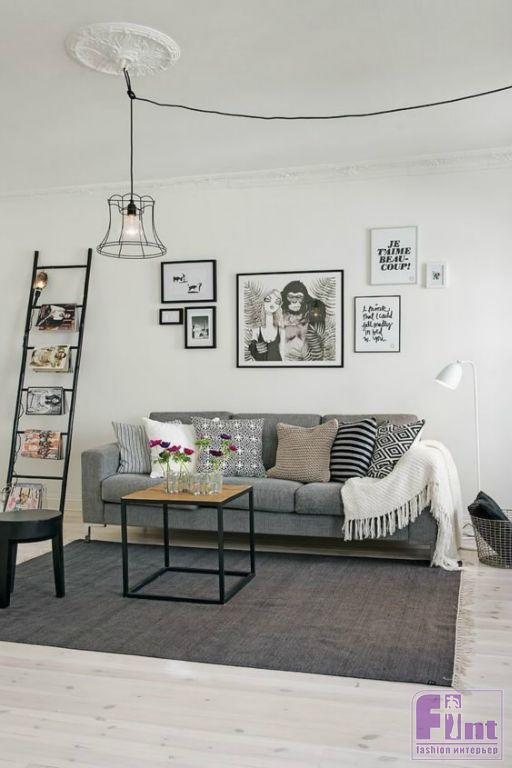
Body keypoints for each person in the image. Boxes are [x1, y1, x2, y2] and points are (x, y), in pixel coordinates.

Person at [248, 289, 285, 361]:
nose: (272, 303)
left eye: (277, 301)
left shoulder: (281, 329)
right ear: (262, 302)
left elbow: (282, 351)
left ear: (279, 305)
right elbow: (252, 351)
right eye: (268, 300)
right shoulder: (257, 329)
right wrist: (254, 347)